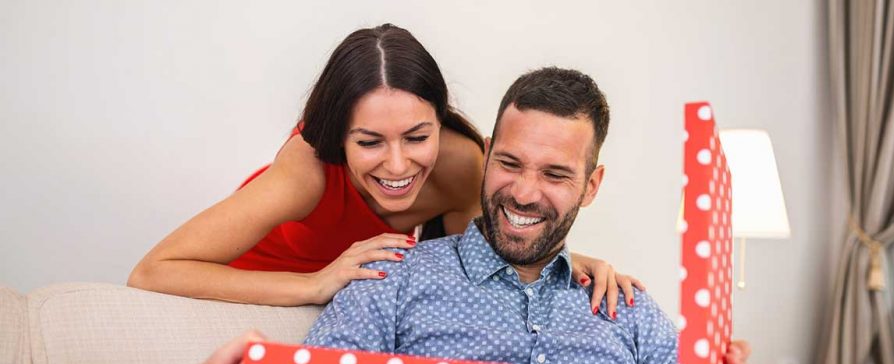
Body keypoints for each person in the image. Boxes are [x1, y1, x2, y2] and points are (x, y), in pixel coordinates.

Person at [158, 67, 768, 364]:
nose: (524, 193)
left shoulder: (628, 310)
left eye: (556, 175)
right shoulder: (392, 279)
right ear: (484, 163)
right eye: (509, 164)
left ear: (590, 187)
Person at [128, 24, 642, 313]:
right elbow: (152, 272)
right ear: (338, 135)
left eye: (417, 137)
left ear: (440, 121)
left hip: (349, 310)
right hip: (242, 294)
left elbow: (483, 261)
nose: (398, 165)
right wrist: (314, 284)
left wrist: (571, 259)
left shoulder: (466, 166)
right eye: (369, 142)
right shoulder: (307, 168)